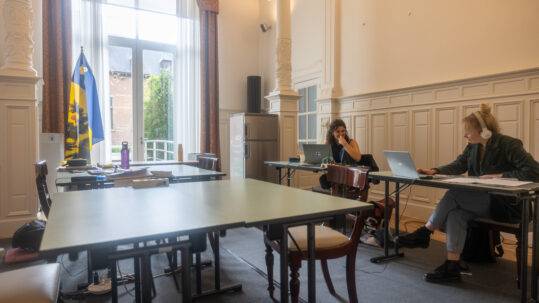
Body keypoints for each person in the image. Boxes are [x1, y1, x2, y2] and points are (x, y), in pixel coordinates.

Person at [396, 103, 539, 283]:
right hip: (485, 202)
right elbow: (459, 164)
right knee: (456, 214)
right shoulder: (473, 146)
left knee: (454, 194)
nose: (465, 135)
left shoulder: (508, 145)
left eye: (468, 131)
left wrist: (500, 175)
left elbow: (534, 171)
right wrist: (435, 170)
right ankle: (452, 267)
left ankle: (425, 232)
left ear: (484, 131)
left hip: (508, 205)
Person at [319, 119, 362, 189]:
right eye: (337, 131)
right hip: (335, 173)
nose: (341, 134)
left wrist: (345, 144)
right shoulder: (328, 143)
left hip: (349, 174)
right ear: (332, 132)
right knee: (323, 180)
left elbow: (358, 158)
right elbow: (323, 157)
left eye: (343, 131)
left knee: (344, 151)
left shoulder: (351, 142)